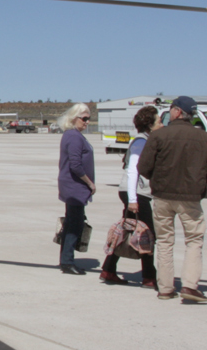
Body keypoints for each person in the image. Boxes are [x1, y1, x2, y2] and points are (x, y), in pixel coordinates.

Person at [137, 95, 207, 303]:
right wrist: (199, 184)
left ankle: (165, 288)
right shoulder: (204, 138)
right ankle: (190, 286)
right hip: (191, 197)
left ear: (176, 112)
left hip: (162, 196)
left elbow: (143, 167)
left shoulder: (158, 136)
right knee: (194, 240)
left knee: (164, 241)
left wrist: (158, 179)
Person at [102, 105, 159, 287]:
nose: (161, 124)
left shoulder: (145, 140)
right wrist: (133, 200)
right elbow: (133, 170)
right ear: (149, 124)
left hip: (134, 192)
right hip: (135, 192)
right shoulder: (142, 142)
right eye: (158, 121)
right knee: (147, 234)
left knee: (126, 230)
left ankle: (109, 269)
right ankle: (149, 277)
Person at [56, 103, 95, 274]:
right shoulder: (73, 136)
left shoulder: (74, 135)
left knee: (73, 222)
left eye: (89, 119)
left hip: (73, 186)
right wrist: (89, 182)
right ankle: (67, 261)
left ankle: (66, 259)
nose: (87, 122)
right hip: (74, 186)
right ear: (74, 118)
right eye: (84, 119)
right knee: (74, 224)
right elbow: (76, 165)